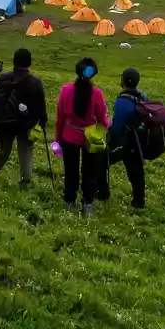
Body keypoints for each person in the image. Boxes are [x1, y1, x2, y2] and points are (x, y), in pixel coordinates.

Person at [55, 57, 108, 215]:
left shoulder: (66, 90)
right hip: (90, 138)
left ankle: (69, 200)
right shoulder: (97, 94)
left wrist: (58, 138)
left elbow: (60, 117)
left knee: (70, 170)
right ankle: (88, 203)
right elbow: (102, 118)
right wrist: (107, 125)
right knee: (89, 171)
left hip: (69, 135)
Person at [0, 48, 47, 189]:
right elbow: (41, 105)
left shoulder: (3, 77)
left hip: (5, 121)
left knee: (2, 148)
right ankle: (25, 181)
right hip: (25, 123)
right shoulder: (35, 81)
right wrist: (42, 121)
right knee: (26, 150)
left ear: (14, 61)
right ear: (29, 63)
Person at [108, 68, 148, 209]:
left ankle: (101, 191)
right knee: (137, 171)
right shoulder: (143, 95)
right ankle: (139, 201)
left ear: (123, 80)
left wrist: (110, 136)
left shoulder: (122, 101)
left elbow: (117, 127)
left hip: (126, 141)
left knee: (103, 161)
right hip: (141, 138)